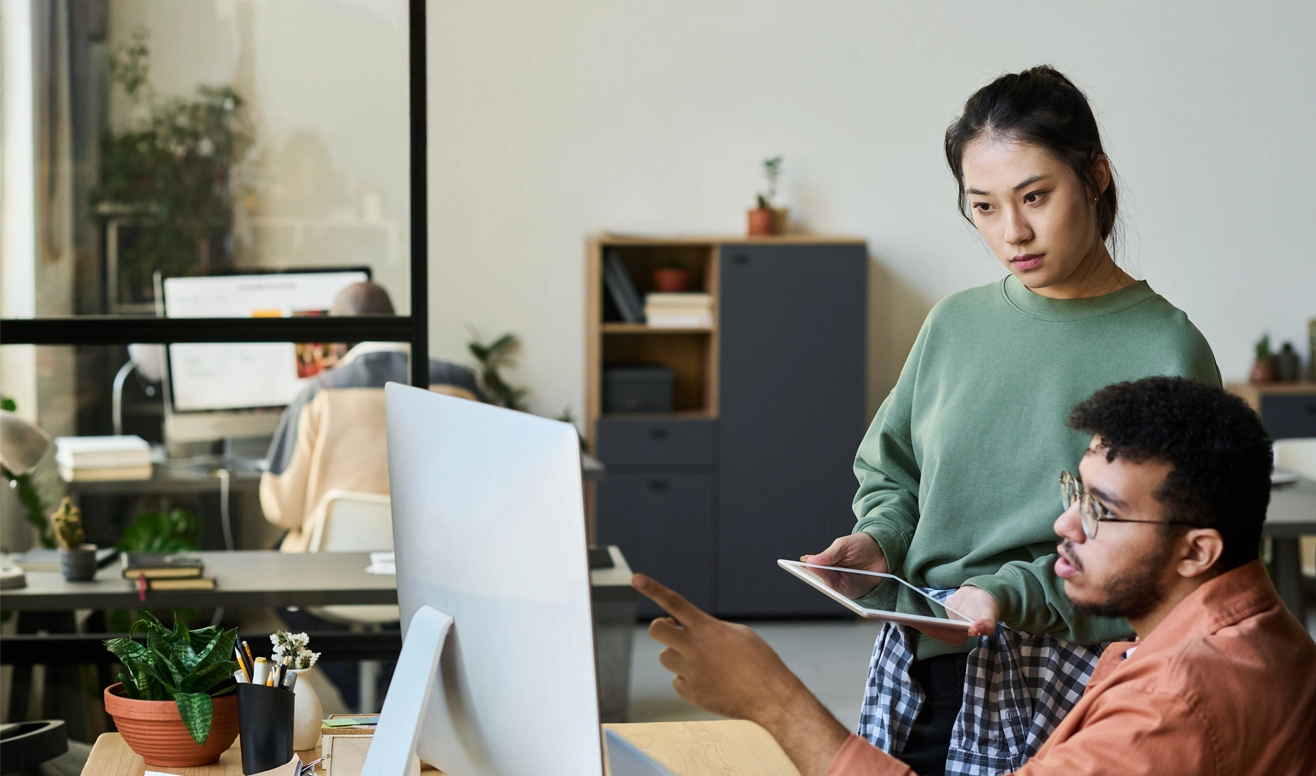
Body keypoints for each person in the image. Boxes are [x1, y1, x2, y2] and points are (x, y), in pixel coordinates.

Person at [802, 66, 1220, 773]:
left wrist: (1009, 593)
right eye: (984, 207)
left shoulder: (1165, 349)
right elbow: (895, 471)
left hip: (1069, 674)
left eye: (1035, 196)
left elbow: (1164, 561)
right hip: (917, 655)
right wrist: (878, 541)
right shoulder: (955, 325)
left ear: (1096, 177)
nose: (1013, 232)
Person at [637, 378, 1316, 776]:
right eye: (1073, 494)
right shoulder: (1262, 631)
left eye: (1102, 513)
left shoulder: (1169, 708)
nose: (1065, 528)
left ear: (1197, 552)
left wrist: (773, 699)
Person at [260, 281, 484, 552]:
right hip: (440, 558)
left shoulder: (318, 394)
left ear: (341, 340)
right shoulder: (460, 385)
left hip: (332, 566)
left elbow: (281, 507)